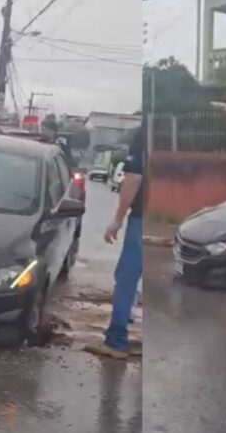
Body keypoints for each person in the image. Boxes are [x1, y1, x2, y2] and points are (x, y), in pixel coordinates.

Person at [85, 123, 145, 360]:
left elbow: (134, 179)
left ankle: (116, 340)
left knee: (126, 277)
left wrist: (118, 219)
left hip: (143, 217)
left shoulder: (145, 134)